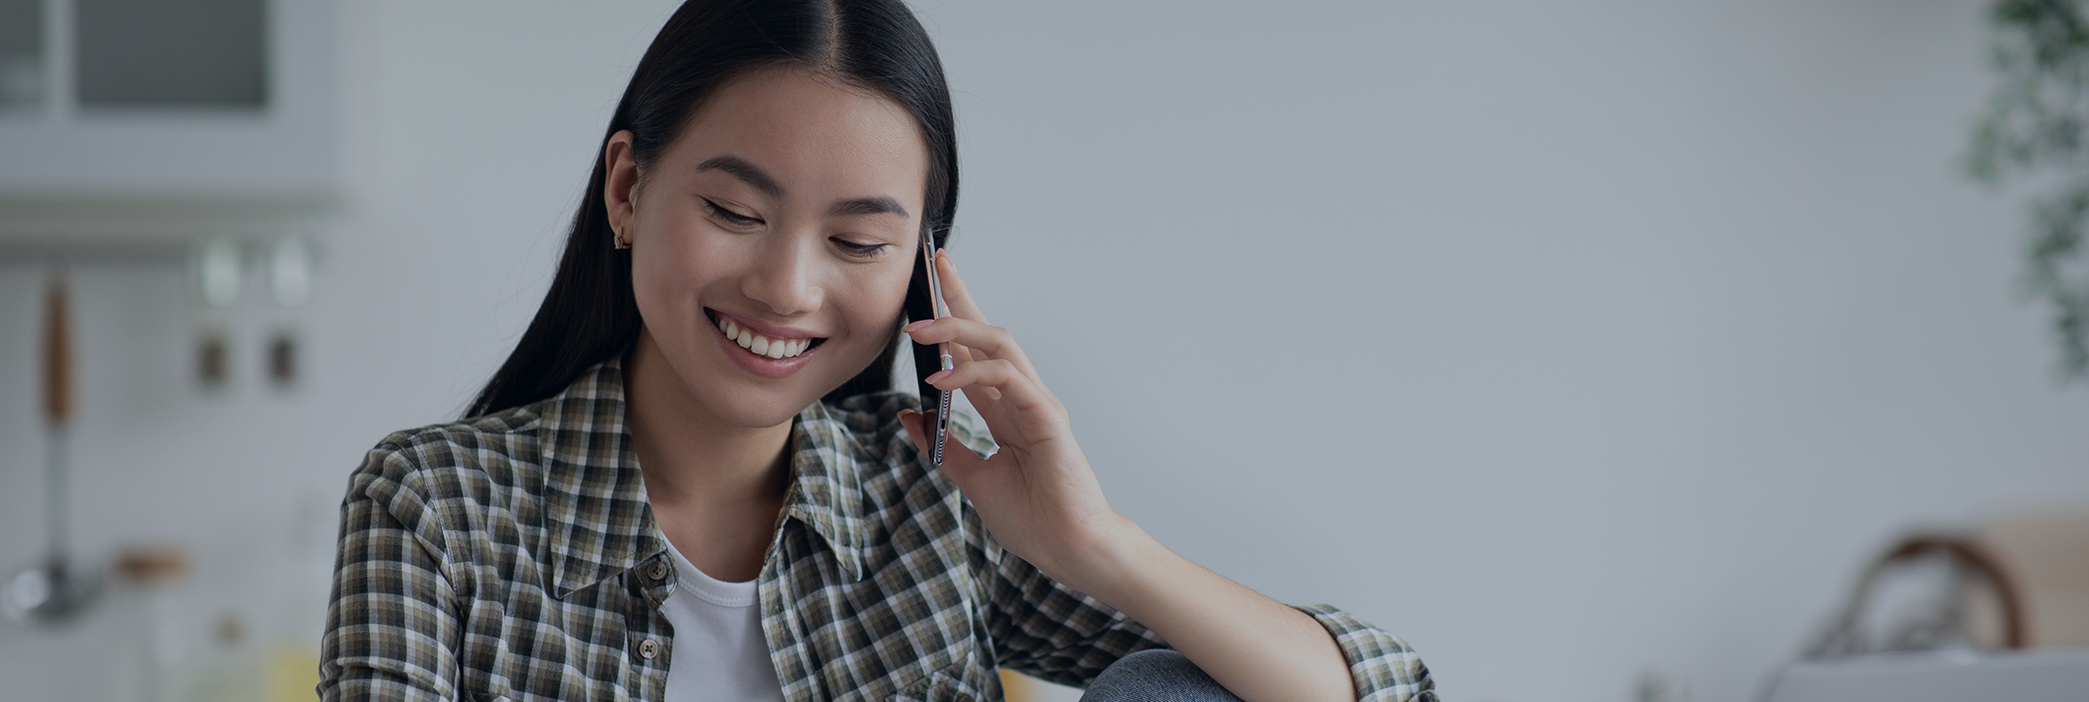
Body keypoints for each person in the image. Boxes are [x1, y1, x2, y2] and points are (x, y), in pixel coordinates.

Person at [317, 1, 1435, 701]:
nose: (787, 288)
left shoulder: (933, 505)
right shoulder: (434, 510)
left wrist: (1098, 544)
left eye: (857, 241)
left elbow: (1385, 687)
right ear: (628, 189)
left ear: (919, 271)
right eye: (735, 212)